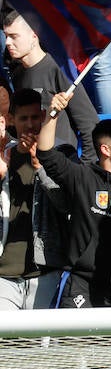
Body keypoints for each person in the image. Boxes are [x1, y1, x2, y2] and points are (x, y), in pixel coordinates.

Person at [36, 101, 111, 308]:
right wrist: (53, 115)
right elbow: (46, 153)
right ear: (106, 149)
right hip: (82, 283)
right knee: (73, 342)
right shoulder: (83, 176)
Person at [0, 90, 65, 312]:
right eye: (23, 119)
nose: (30, 125)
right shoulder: (3, 156)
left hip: (45, 268)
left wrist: (40, 166)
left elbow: (65, 204)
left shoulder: (62, 153)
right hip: (4, 271)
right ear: (11, 120)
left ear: (44, 115)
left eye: (35, 117)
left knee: (40, 345)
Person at [3, 11, 98, 158]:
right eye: (6, 36)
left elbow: (89, 122)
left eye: (14, 36)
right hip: (30, 167)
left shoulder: (58, 69)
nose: (8, 42)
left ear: (34, 35)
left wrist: (86, 170)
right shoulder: (17, 75)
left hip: (60, 164)